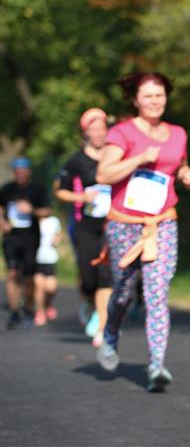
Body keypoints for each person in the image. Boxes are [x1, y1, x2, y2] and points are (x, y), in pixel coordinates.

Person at [95, 72, 190, 393]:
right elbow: (103, 174)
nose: (155, 101)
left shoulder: (178, 133)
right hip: (124, 223)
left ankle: (156, 365)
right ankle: (110, 333)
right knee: (123, 293)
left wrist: (186, 173)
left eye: (160, 95)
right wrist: (139, 158)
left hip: (162, 222)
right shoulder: (122, 132)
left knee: (157, 292)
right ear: (135, 99)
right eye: (148, 96)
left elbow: (178, 164)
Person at [56, 108, 113, 346]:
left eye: (102, 128)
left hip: (111, 224)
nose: (98, 133)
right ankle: (90, 303)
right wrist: (82, 198)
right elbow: (61, 191)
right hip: (84, 225)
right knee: (88, 278)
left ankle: (102, 326)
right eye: (93, 129)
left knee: (106, 276)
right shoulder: (76, 160)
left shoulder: (115, 155)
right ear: (86, 133)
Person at [1, 157, 52, 329]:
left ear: (29, 171)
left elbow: (47, 211)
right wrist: (3, 222)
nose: (20, 174)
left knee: (29, 277)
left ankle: (28, 308)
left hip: (30, 238)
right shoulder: (7, 189)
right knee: (12, 273)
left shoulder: (37, 189)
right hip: (11, 237)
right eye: (17, 171)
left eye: (23, 170)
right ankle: (14, 312)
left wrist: (32, 210)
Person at [33, 213, 62, 326]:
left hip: (50, 258)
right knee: (39, 286)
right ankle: (40, 311)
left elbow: (59, 234)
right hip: (36, 258)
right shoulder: (33, 220)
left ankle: (48, 304)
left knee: (51, 288)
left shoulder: (54, 220)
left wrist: (57, 239)